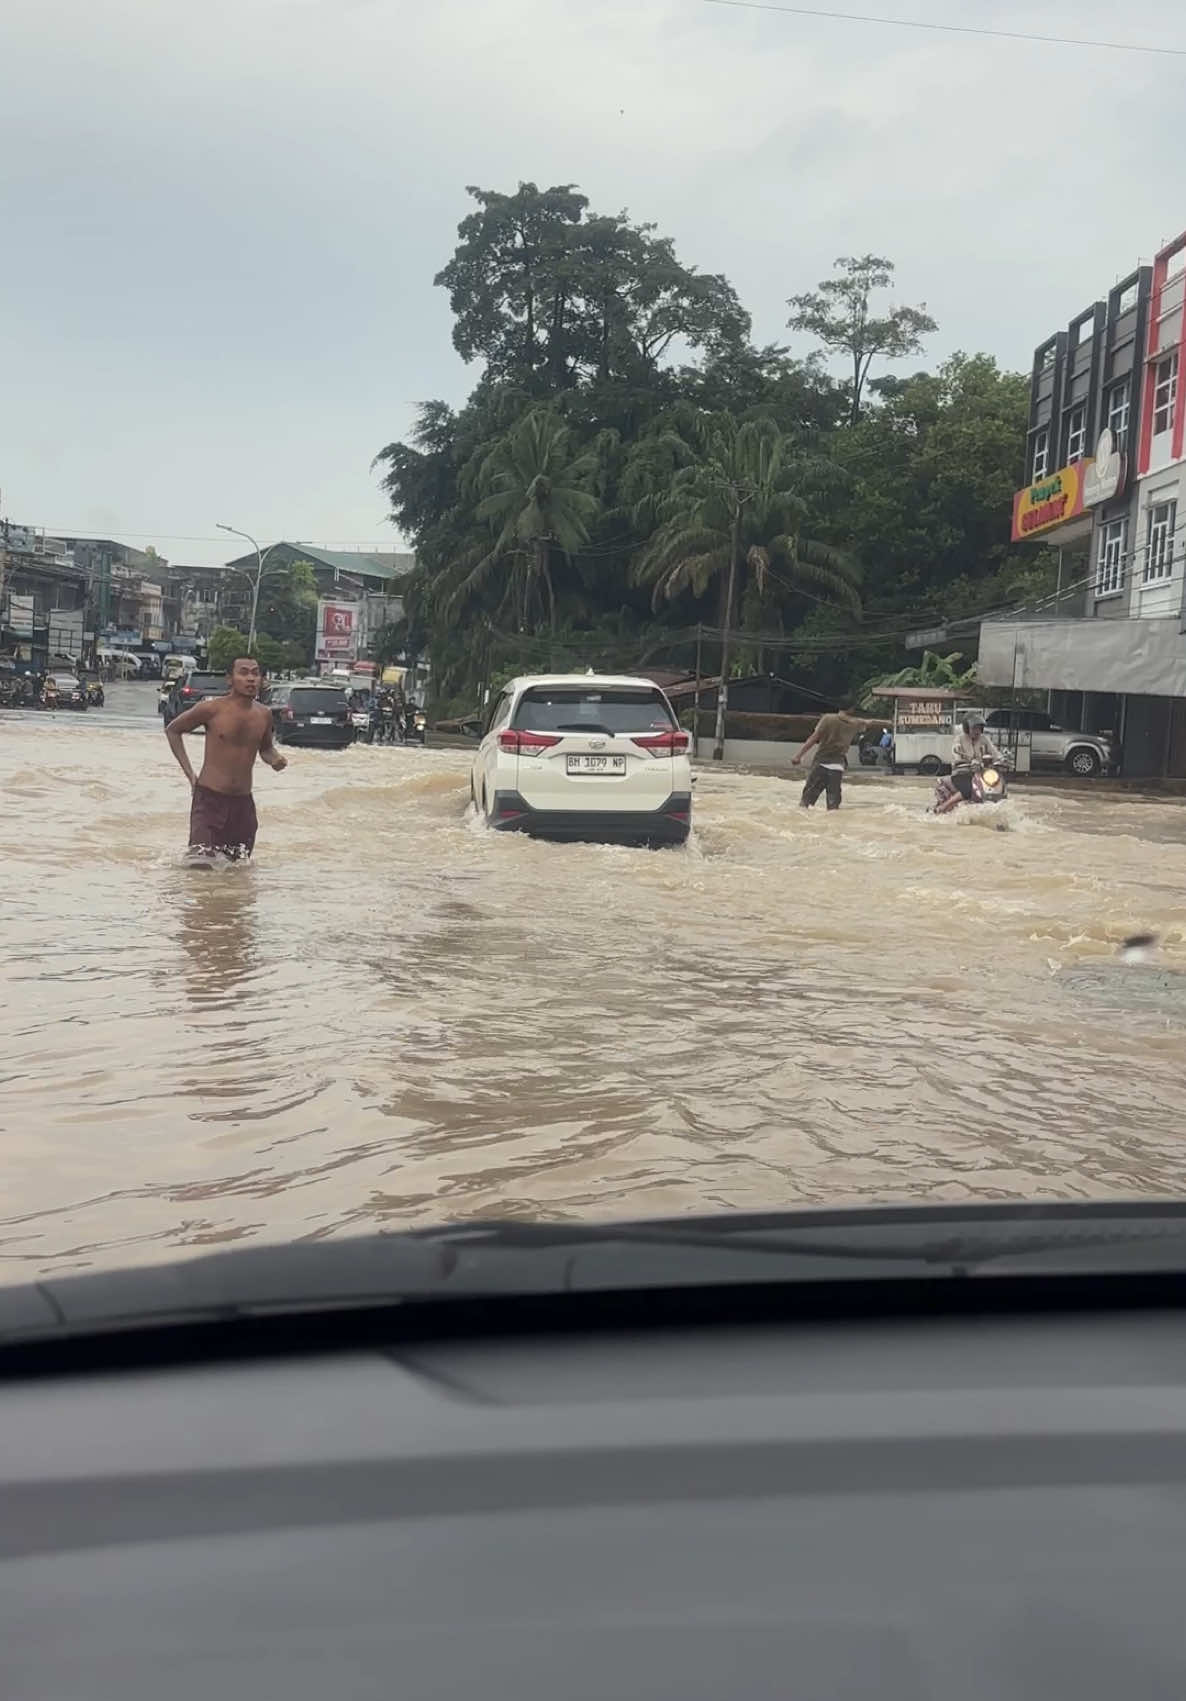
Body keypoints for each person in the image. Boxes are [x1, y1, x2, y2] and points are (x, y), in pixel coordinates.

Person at [164, 655, 286, 860]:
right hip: (210, 801)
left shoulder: (264, 714)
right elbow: (173, 730)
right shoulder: (211, 709)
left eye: (255, 674)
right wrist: (190, 775)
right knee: (200, 864)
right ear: (230, 679)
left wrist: (276, 759)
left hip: (243, 805)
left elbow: (266, 749)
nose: (251, 679)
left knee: (237, 870)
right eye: (244, 673)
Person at [793, 704, 877, 810]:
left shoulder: (828, 718)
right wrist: (890, 722)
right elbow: (870, 722)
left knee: (806, 802)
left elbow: (813, 738)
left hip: (821, 763)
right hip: (837, 767)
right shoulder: (855, 723)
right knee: (833, 806)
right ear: (852, 709)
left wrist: (798, 756)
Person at [950, 713, 1005, 802]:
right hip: (962, 773)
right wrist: (961, 760)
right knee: (967, 790)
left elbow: (994, 751)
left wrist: (1001, 759)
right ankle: (942, 808)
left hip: (982, 773)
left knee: (998, 787)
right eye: (974, 728)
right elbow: (956, 753)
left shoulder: (984, 739)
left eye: (979, 728)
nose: (977, 731)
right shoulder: (959, 739)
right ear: (967, 729)